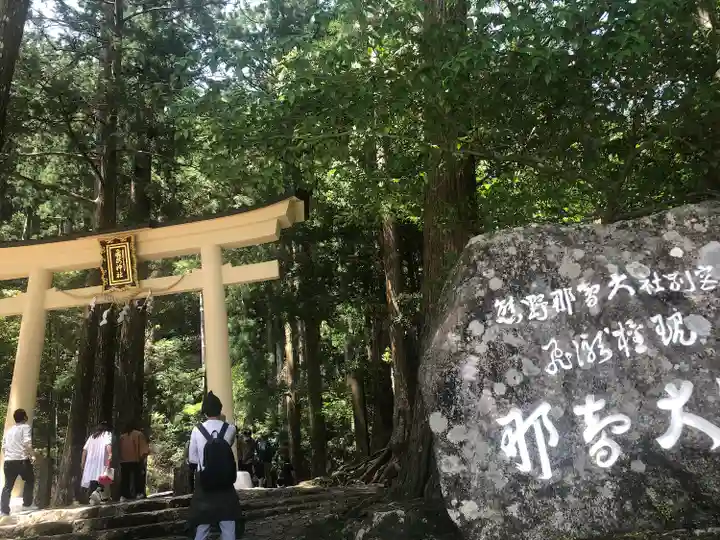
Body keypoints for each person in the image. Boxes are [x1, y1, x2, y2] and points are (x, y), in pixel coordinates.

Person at [187, 391, 242, 540]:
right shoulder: (230, 429)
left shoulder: (197, 430)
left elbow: (192, 460)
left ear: (204, 411)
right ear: (220, 409)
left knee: (202, 524)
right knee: (228, 522)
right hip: (225, 480)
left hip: (204, 482)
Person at [1, 409, 37, 516]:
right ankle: (27, 504)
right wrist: (32, 455)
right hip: (21, 460)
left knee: (7, 485)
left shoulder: (9, 431)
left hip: (8, 461)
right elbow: (27, 443)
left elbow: (3, 447)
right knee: (30, 479)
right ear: (25, 417)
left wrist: (9, 456)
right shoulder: (25, 427)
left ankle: (4, 510)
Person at [81, 422, 113, 505]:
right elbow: (108, 445)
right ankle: (98, 496)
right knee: (103, 477)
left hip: (90, 461)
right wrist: (110, 454)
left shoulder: (92, 437)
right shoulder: (107, 434)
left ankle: (93, 500)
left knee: (93, 479)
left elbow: (84, 450)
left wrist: (83, 462)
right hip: (101, 460)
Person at [118, 421, 149, 502]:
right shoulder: (139, 434)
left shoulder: (122, 437)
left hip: (124, 460)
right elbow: (144, 450)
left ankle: (124, 495)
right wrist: (142, 458)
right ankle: (139, 493)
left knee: (125, 478)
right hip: (136, 460)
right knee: (138, 477)